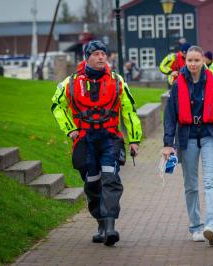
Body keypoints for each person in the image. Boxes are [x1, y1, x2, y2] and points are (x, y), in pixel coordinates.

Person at [51, 40, 142, 247]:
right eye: (97, 54)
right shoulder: (70, 82)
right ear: (87, 57)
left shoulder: (118, 81)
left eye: (104, 54)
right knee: (92, 183)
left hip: (110, 139)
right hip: (85, 140)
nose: (102, 57)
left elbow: (129, 111)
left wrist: (134, 139)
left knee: (111, 179)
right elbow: (57, 105)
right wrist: (70, 129)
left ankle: (110, 228)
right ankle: (100, 224)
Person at [162, 45, 213, 246]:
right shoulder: (178, 85)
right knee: (191, 185)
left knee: (211, 182)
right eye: (190, 60)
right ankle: (196, 226)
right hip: (187, 137)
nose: (193, 64)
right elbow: (170, 116)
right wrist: (168, 144)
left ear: (203, 60)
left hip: (209, 135)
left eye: (197, 60)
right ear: (185, 61)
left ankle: (212, 226)